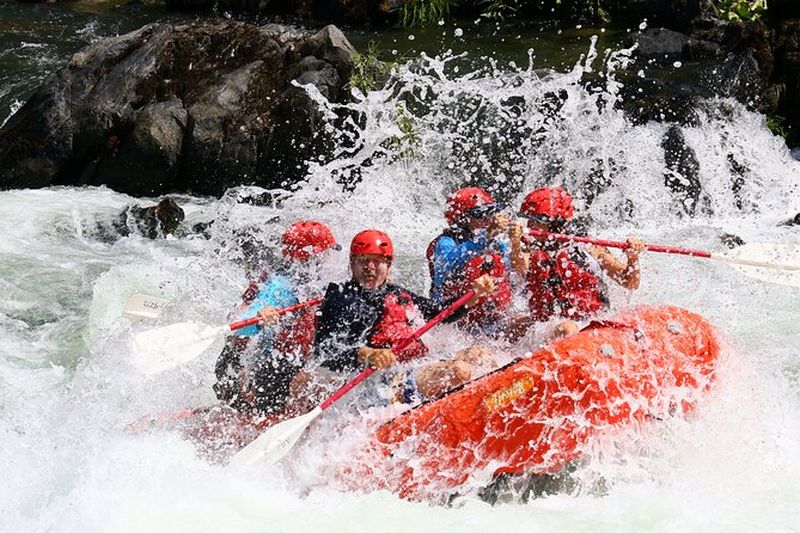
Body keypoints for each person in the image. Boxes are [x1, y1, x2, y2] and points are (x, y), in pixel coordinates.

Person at [289, 229, 497, 411]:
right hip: (384, 382)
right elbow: (325, 352)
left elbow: (437, 313)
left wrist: (473, 295)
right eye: (363, 261)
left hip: (417, 364)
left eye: (377, 261)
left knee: (481, 355)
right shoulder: (341, 300)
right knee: (459, 371)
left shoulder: (395, 292)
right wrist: (367, 353)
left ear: (388, 265)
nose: (370, 267)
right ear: (352, 263)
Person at [213, 220, 339, 415]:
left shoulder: (310, 279)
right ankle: (256, 412)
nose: (328, 256)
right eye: (325, 251)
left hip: (271, 366)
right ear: (313, 255)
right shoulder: (280, 287)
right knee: (307, 378)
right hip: (260, 372)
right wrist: (260, 315)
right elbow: (242, 326)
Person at [518, 187, 645, 336]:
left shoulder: (588, 248)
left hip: (588, 323)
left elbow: (630, 283)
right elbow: (521, 268)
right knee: (515, 325)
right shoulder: (528, 247)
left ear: (555, 223)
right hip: (546, 325)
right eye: (529, 221)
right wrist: (515, 242)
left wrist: (633, 258)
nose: (530, 227)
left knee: (567, 328)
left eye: (536, 221)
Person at [426, 187, 526, 336]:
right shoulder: (445, 243)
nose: (487, 220)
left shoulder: (496, 244)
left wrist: (516, 243)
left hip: (494, 320)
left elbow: (521, 272)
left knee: (528, 323)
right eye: (480, 215)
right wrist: (487, 235)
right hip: (458, 327)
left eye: (490, 213)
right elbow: (449, 264)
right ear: (461, 219)